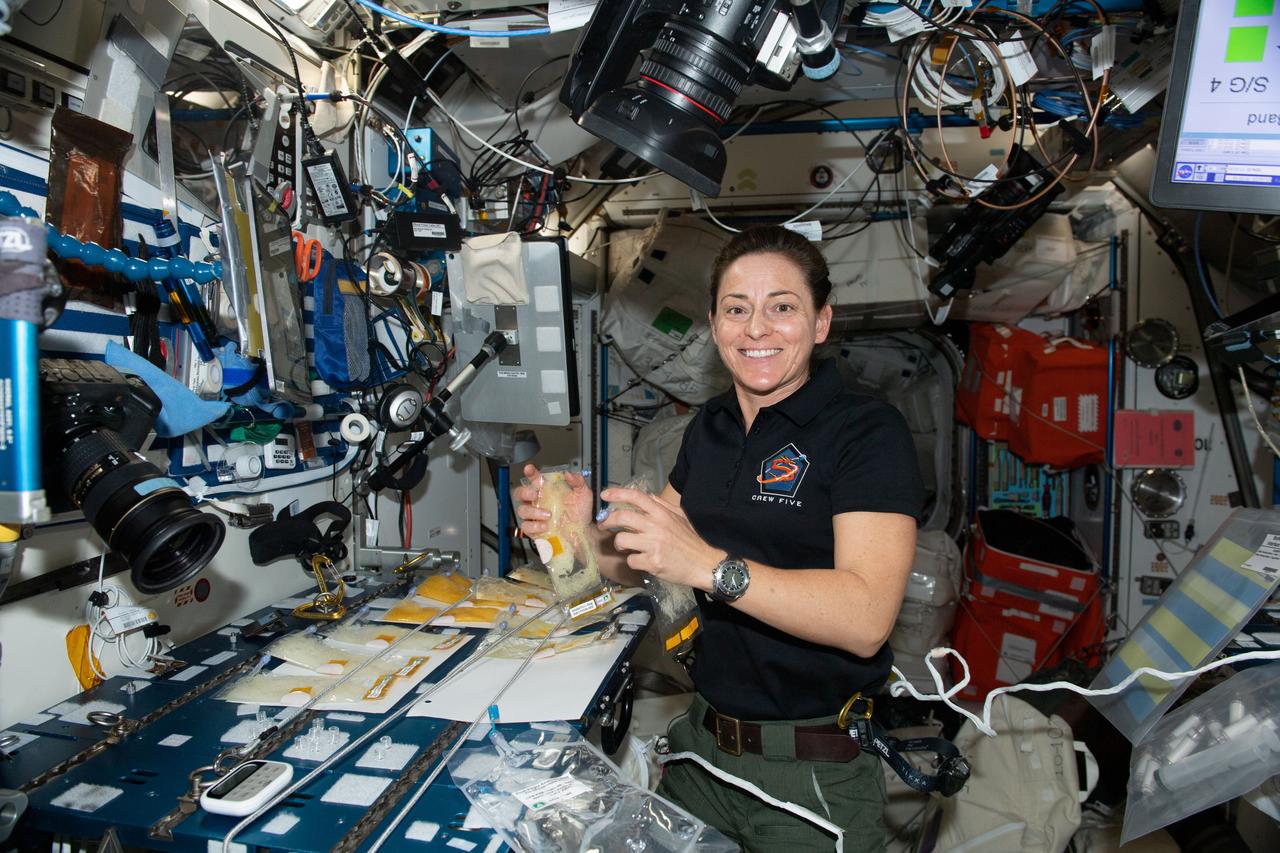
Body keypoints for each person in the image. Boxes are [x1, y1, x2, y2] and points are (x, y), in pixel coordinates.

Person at [515, 225, 923, 851]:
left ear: (820, 322)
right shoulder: (712, 425)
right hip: (701, 750)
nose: (756, 328)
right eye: (737, 309)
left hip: (811, 769)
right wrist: (565, 535)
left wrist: (708, 565)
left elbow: (866, 615)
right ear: (714, 324)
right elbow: (649, 559)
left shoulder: (866, 432)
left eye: (782, 307)